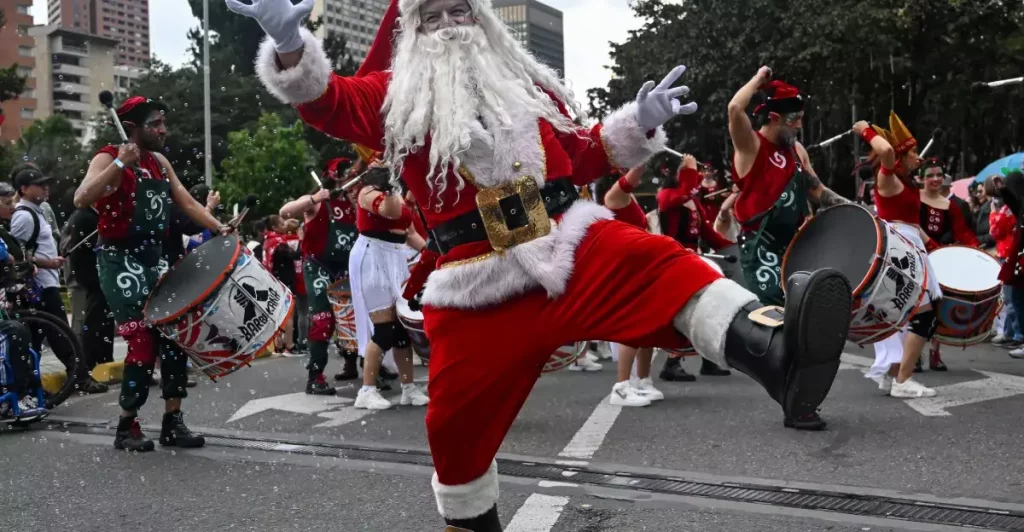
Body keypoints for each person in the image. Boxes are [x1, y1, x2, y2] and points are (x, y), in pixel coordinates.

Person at [231, 0, 853, 528]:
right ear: (411, 30)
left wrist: (640, 123)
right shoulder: (394, 96)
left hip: (566, 240)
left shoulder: (524, 90)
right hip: (477, 281)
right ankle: (474, 520)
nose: (453, 22)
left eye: (463, 8)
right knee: (455, 431)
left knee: (661, 264)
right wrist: (289, 43)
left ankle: (778, 351)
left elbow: (583, 155)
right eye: (436, 13)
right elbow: (327, 101)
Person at [74, 95, 229, 452]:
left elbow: (186, 202)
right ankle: (127, 425)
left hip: (155, 260)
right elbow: (82, 198)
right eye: (155, 124)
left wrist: (219, 227)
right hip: (119, 262)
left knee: (175, 337)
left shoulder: (159, 162)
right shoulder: (107, 155)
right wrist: (118, 165)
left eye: (163, 122)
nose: (163, 129)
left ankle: (172, 422)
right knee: (143, 343)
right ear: (131, 128)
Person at [728, 70, 851, 307]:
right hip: (760, 248)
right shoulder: (751, 145)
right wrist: (757, 79)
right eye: (794, 119)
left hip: (795, 245)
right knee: (774, 316)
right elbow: (734, 108)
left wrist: (853, 209)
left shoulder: (797, 151)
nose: (799, 125)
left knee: (805, 314)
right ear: (774, 117)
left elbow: (817, 190)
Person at [855, 113, 939, 398]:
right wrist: (865, 130)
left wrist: (936, 246)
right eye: (913, 152)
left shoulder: (907, 182)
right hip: (899, 249)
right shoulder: (886, 178)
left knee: (902, 313)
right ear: (901, 157)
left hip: (910, 245)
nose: (919, 157)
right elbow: (886, 150)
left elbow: (913, 224)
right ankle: (904, 380)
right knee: (922, 315)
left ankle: (891, 377)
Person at [10, 164, 107, 394]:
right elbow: (16, 255)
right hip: (39, 286)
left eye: (46, 184)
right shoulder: (24, 217)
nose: (46, 188)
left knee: (36, 338)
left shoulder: (37, 212)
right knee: (61, 333)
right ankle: (80, 377)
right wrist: (47, 263)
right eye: (39, 185)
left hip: (45, 283)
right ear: (23, 189)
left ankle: (32, 387)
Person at [278, 157, 361, 394]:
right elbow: (285, 212)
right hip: (318, 266)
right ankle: (315, 376)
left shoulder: (353, 202)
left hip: (345, 267)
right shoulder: (315, 200)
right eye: (344, 172)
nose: (349, 176)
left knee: (351, 319)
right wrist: (315, 198)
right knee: (323, 319)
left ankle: (352, 365)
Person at [350, 165, 429, 410]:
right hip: (372, 257)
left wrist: (435, 257)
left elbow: (411, 234)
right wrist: (395, 184)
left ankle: (408, 387)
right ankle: (367, 390)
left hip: (395, 257)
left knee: (401, 329)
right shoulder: (368, 192)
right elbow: (391, 211)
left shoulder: (399, 198)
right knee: (384, 329)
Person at [916, 160, 979, 371]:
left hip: (940, 262)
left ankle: (935, 352)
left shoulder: (951, 206)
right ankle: (913, 354)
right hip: (915, 259)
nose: (935, 179)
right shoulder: (914, 200)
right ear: (921, 179)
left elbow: (963, 232)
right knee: (914, 307)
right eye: (930, 175)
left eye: (939, 175)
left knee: (937, 307)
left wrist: (977, 253)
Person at [60, 206, 116, 386]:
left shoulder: (91, 215)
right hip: (90, 276)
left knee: (101, 320)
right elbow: (84, 250)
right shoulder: (84, 216)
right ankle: (90, 362)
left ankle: (102, 359)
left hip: (95, 276)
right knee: (91, 322)